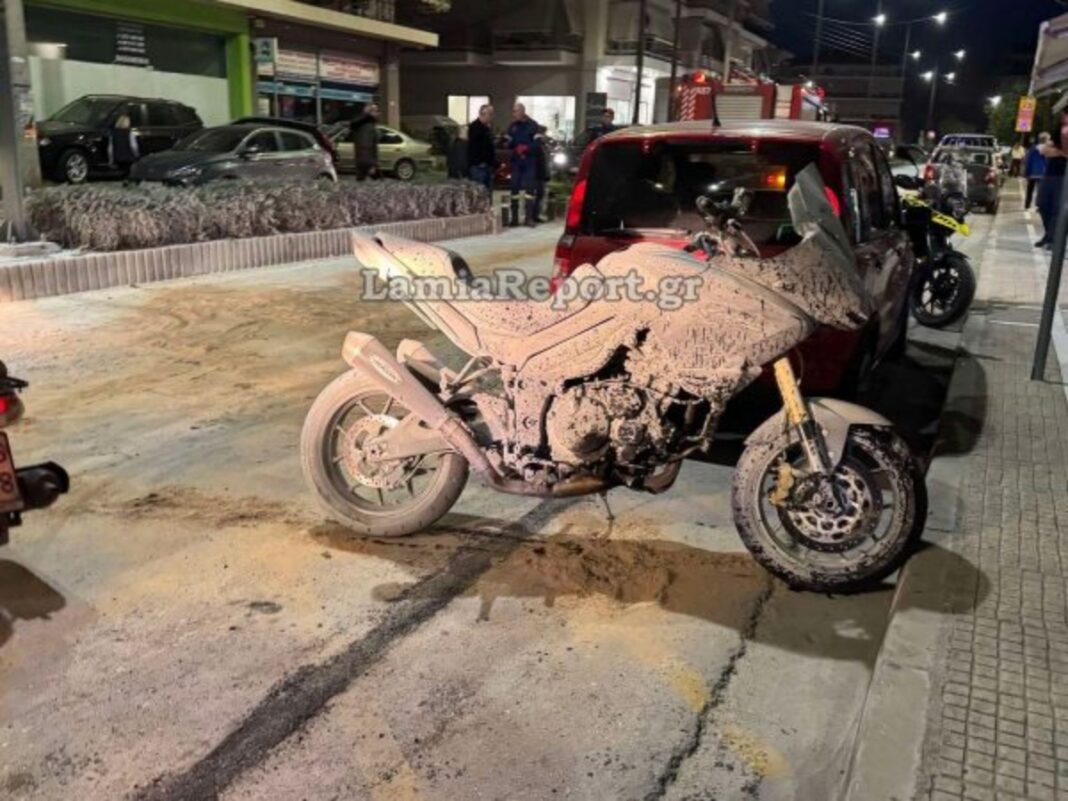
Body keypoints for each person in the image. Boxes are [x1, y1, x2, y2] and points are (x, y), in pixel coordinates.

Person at [505, 103, 539, 227]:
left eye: (516, 111)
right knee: (514, 189)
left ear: (523, 111)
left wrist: (526, 148)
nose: (514, 114)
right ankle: (514, 219)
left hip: (529, 162)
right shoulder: (512, 126)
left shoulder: (533, 125)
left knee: (530, 190)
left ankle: (528, 218)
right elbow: (509, 143)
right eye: (513, 111)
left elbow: (537, 144)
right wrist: (509, 144)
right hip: (516, 162)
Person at [1036, 120, 1067, 249]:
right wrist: (1061, 152)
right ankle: (1049, 234)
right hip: (1049, 174)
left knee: (1057, 208)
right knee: (1042, 205)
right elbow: (1044, 150)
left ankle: (1054, 239)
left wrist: (1056, 151)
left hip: (1063, 177)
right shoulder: (1060, 129)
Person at [466, 104, 496, 191]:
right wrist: (481, 162)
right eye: (490, 114)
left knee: (487, 191)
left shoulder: (486, 128)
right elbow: (476, 147)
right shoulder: (475, 128)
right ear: (483, 114)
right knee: (479, 191)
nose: (492, 117)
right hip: (479, 167)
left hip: (488, 165)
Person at [350, 103, 380, 181]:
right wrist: (372, 164)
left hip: (361, 161)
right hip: (367, 162)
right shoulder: (367, 126)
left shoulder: (365, 125)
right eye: (376, 111)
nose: (378, 113)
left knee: (361, 182)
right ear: (370, 113)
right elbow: (366, 144)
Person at [532, 125, 551, 225]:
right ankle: (534, 215)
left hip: (541, 174)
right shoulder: (538, 144)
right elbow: (542, 162)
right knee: (539, 195)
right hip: (539, 174)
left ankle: (536, 215)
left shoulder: (542, 145)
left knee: (540, 195)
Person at [1025, 132, 1049, 211]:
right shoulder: (1048, 149)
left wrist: (1027, 173)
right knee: (1041, 190)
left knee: (1030, 189)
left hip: (1032, 172)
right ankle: (1039, 206)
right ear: (1046, 140)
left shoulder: (1033, 148)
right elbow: (1048, 161)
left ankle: (1027, 205)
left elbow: (1029, 160)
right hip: (1043, 172)